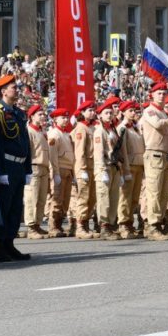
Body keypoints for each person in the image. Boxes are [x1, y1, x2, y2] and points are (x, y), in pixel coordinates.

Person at [0, 74, 31, 261]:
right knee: (3, 207)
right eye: (13, 87)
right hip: (6, 164)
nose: (17, 90)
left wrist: (28, 168)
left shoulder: (19, 113)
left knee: (15, 207)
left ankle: (10, 243)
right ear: (3, 91)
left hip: (19, 165)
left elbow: (25, 142)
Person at [141, 83, 168, 240]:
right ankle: (152, 224)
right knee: (154, 191)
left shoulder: (164, 112)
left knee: (164, 191)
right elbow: (157, 125)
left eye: (164, 93)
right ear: (152, 95)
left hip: (165, 154)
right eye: (159, 93)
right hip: (154, 153)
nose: (162, 96)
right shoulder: (150, 111)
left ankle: (159, 221)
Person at [92, 100, 123, 240]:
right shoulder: (100, 131)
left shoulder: (112, 129)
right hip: (104, 167)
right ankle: (104, 226)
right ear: (100, 115)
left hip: (114, 167)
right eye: (106, 113)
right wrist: (102, 169)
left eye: (111, 112)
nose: (109, 115)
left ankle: (110, 224)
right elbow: (98, 152)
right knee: (104, 198)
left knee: (114, 198)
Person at [116, 101, 144, 239]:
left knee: (134, 198)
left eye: (134, 110)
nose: (134, 113)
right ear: (123, 112)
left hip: (139, 165)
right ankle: (123, 224)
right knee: (125, 197)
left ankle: (130, 223)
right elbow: (123, 151)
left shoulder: (135, 128)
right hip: (130, 166)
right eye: (130, 110)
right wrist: (125, 170)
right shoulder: (123, 128)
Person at [24, 105, 52, 240]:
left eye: (43, 114)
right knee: (32, 198)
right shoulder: (29, 131)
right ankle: (31, 226)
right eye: (39, 114)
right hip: (34, 167)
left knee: (41, 199)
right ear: (32, 116)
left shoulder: (42, 131)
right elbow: (27, 151)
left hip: (44, 167)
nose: (43, 117)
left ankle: (37, 224)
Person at [46, 108, 74, 238]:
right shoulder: (54, 134)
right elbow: (53, 156)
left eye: (67, 117)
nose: (66, 120)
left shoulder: (67, 134)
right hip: (60, 168)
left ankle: (59, 224)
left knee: (65, 200)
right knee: (57, 198)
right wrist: (55, 173)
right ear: (55, 119)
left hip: (68, 168)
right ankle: (53, 226)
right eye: (63, 117)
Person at [71, 101, 97, 238]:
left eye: (93, 110)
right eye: (89, 110)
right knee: (83, 197)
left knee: (92, 198)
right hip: (85, 166)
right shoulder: (81, 127)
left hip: (93, 166)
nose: (92, 112)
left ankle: (86, 224)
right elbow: (79, 151)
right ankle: (80, 226)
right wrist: (81, 170)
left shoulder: (92, 127)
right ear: (82, 112)